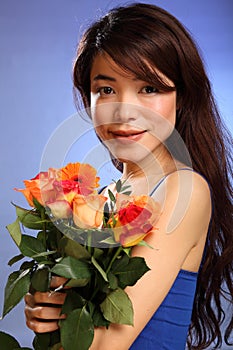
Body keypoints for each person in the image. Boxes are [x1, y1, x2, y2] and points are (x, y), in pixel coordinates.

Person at [24, 3, 233, 349]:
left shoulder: (184, 190)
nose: (124, 111)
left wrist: (65, 327)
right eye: (106, 90)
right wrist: (48, 309)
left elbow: (106, 345)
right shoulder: (95, 201)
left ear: (181, 98)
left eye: (149, 89)